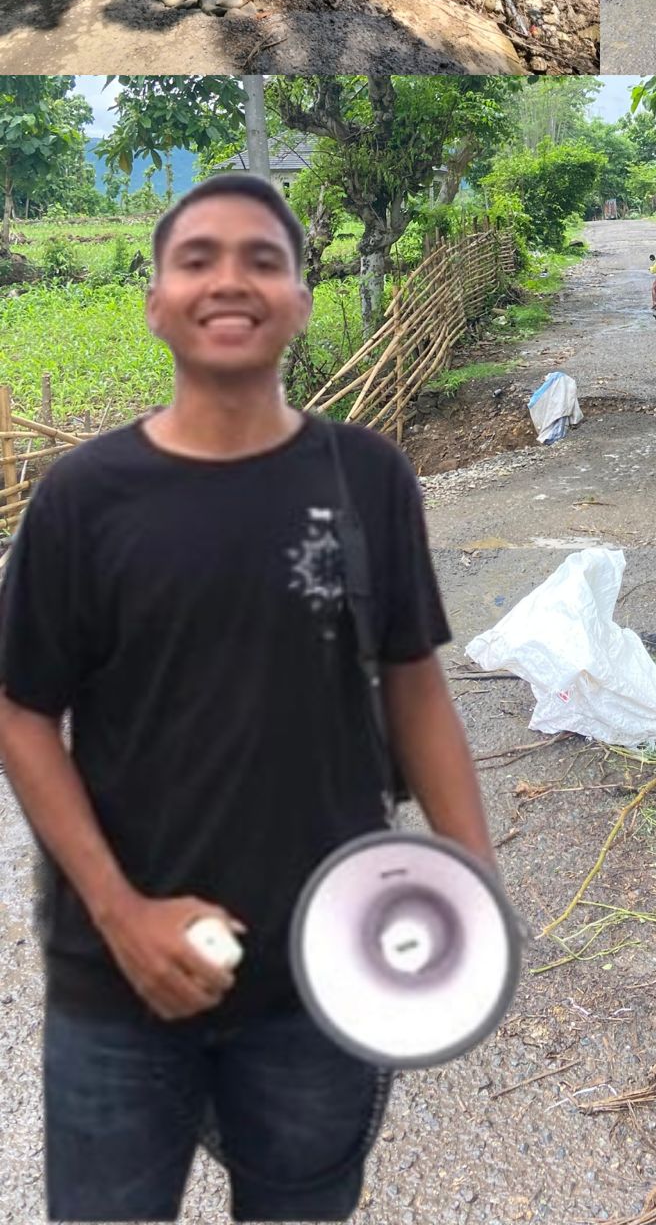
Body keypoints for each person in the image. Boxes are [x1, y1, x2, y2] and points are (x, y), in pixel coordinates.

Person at [0, 173, 498, 1224]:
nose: (230, 279)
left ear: (301, 301)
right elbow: (21, 710)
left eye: (262, 259)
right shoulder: (86, 497)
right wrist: (121, 912)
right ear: (155, 303)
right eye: (198, 259)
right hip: (117, 980)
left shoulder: (367, 477)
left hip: (327, 969)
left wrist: (477, 882)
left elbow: (414, 684)